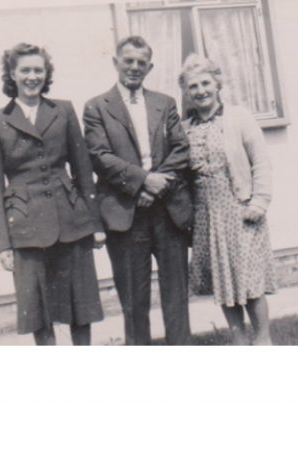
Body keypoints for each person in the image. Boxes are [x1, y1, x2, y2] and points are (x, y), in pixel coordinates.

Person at [0, 42, 105, 345]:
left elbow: (82, 170)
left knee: (80, 305)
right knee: (39, 310)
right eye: (25, 70)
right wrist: (2, 244)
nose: (32, 76)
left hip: (71, 221)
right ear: (12, 74)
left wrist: (95, 224)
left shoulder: (63, 110)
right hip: (25, 227)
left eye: (38, 70)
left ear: (46, 73)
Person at [83, 36, 193, 345]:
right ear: (115, 63)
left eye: (141, 63)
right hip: (124, 213)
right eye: (128, 61)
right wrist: (143, 181)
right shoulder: (96, 107)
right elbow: (100, 157)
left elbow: (181, 149)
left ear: (150, 67)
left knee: (176, 297)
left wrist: (156, 185)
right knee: (133, 301)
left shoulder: (165, 103)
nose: (134, 67)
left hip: (168, 210)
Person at [178, 54, 277, 345]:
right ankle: (239, 341)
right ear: (186, 91)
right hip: (206, 216)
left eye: (206, 83)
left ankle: (263, 341)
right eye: (193, 86)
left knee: (249, 281)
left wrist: (259, 202)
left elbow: (260, 161)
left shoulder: (239, 117)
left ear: (218, 83)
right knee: (223, 280)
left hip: (241, 210)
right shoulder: (185, 128)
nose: (201, 91)